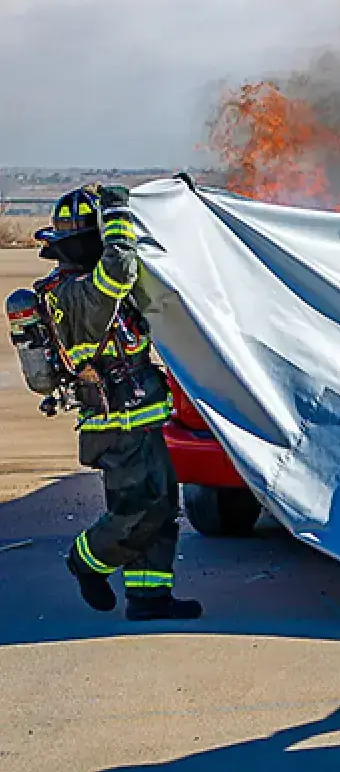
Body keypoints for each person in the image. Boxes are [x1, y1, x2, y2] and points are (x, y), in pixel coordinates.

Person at [33, 183, 203, 621]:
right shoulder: (77, 293)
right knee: (140, 509)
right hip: (118, 423)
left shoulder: (83, 286)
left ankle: (149, 596)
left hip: (139, 417)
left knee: (163, 504)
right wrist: (117, 210)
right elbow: (122, 265)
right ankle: (86, 560)